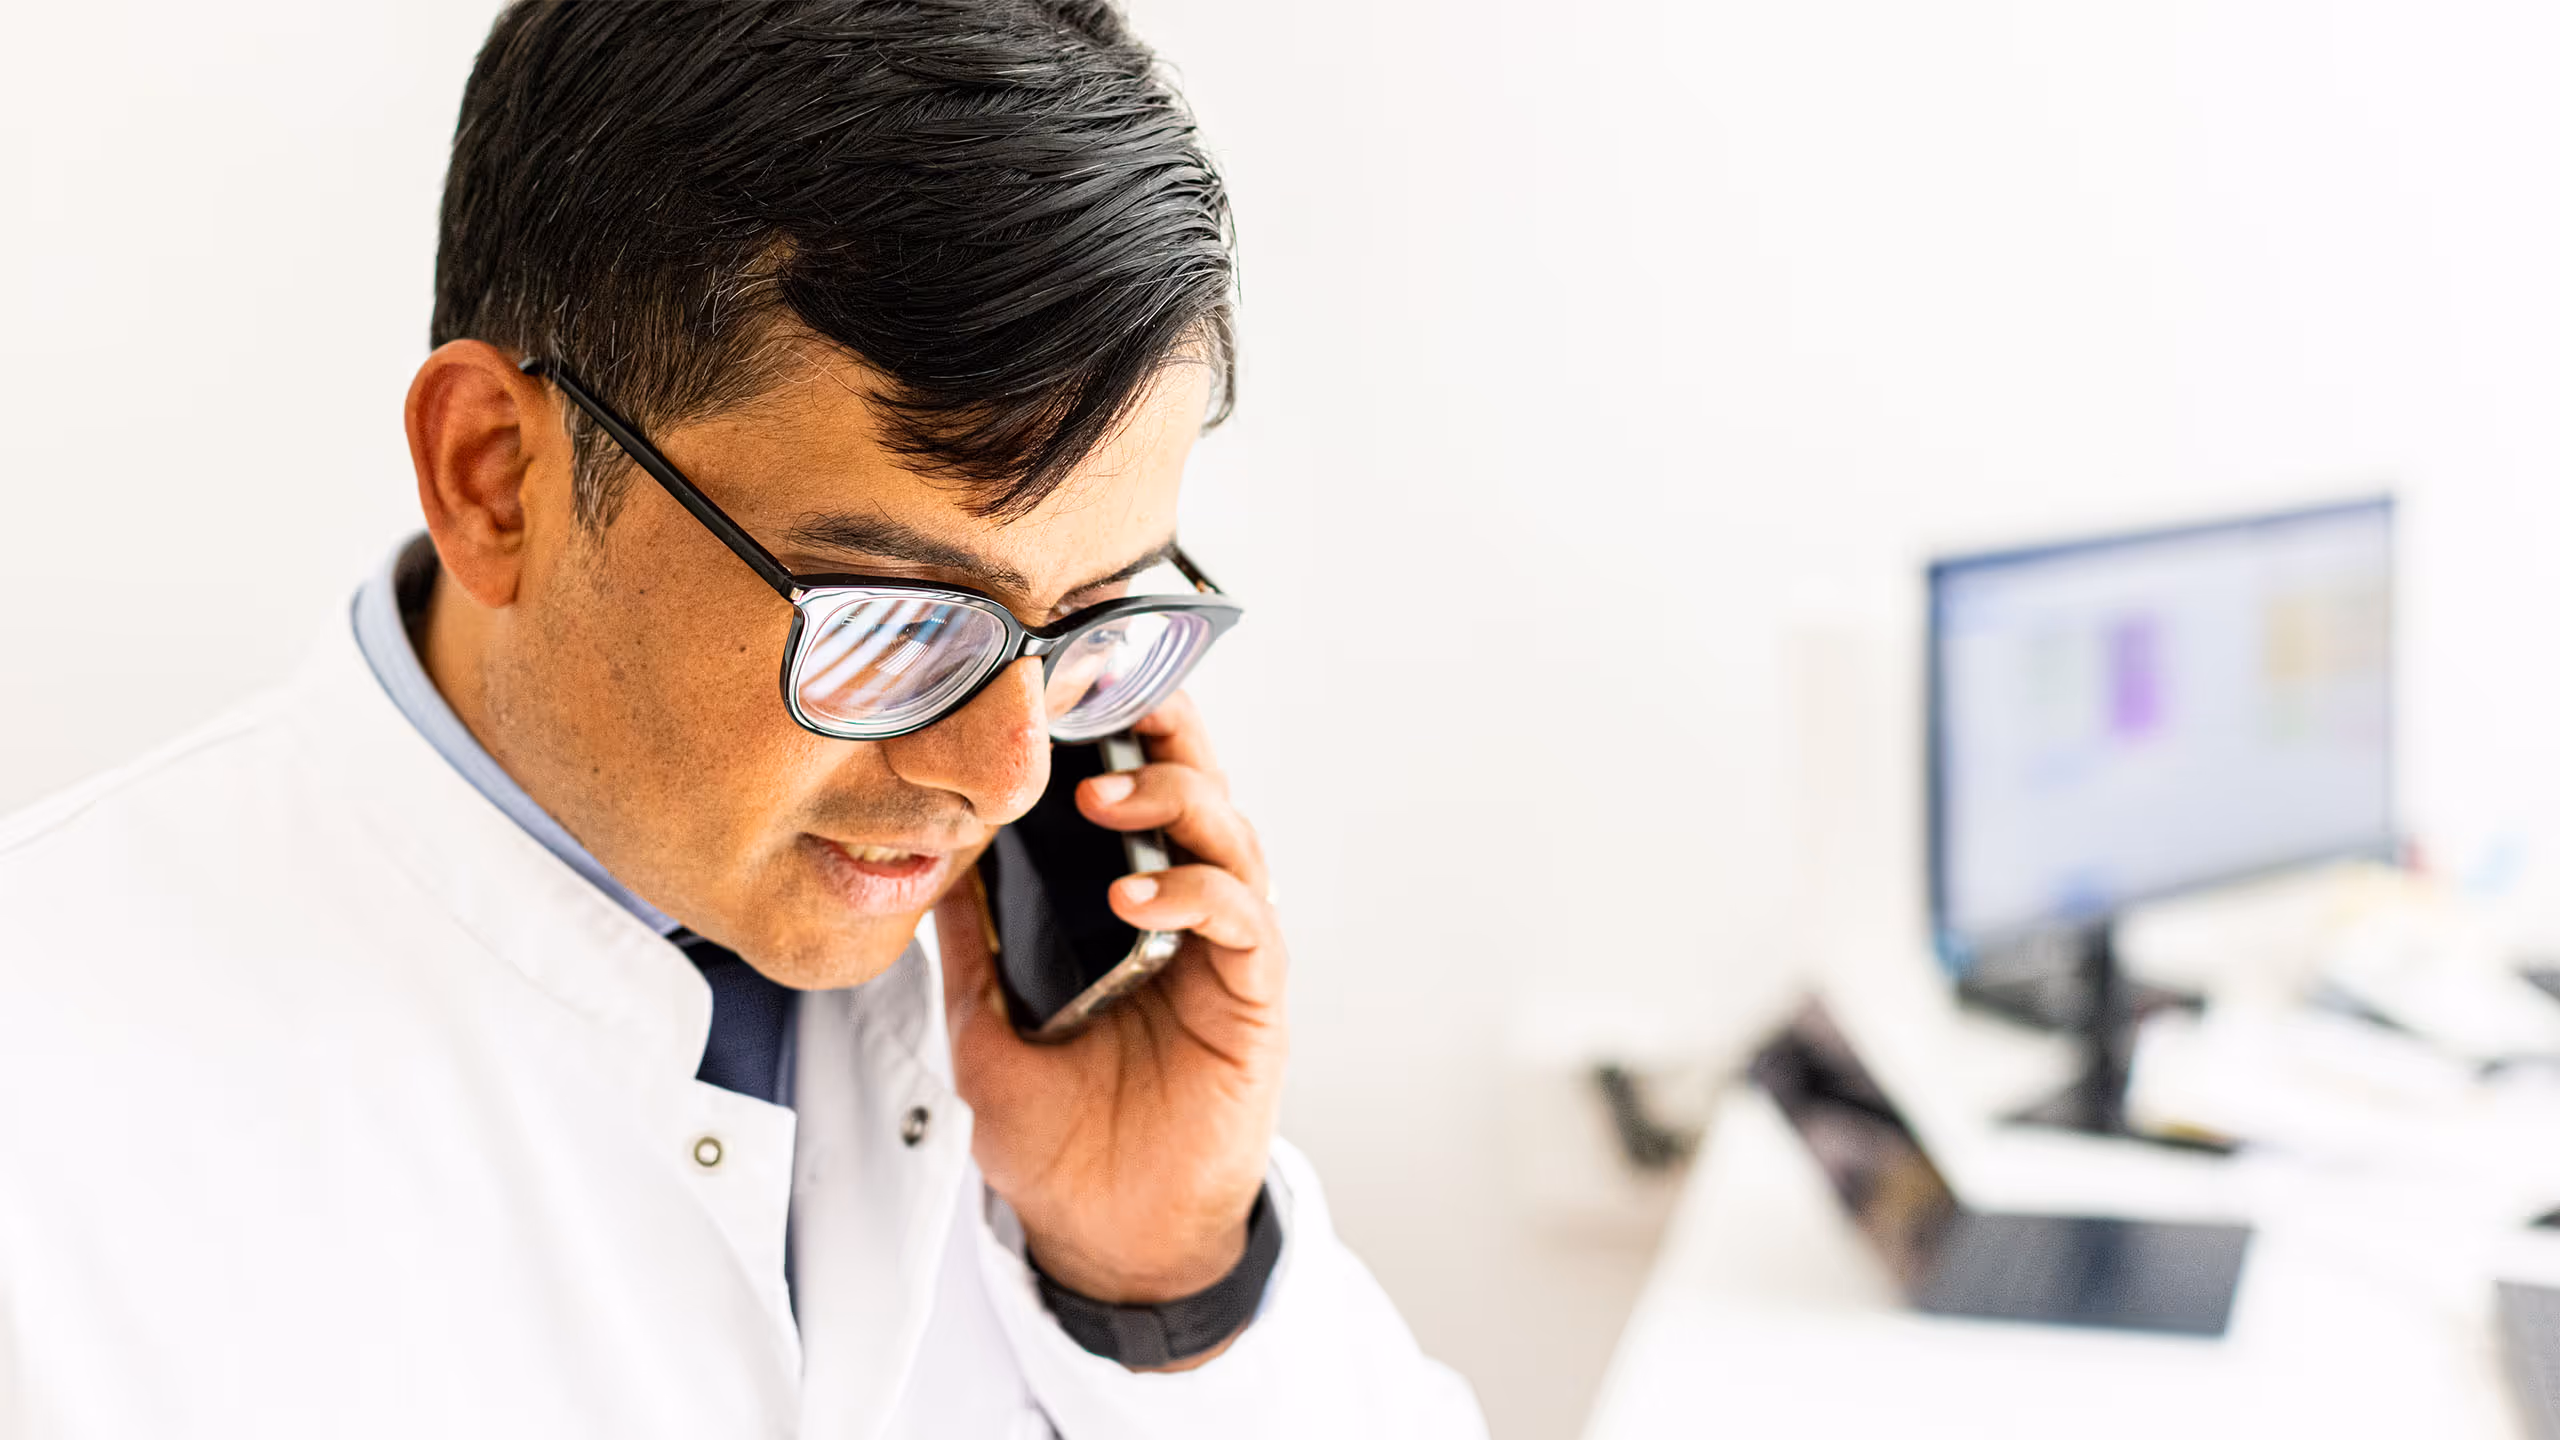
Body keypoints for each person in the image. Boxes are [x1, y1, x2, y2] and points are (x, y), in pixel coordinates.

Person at [0, 3, 1485, 1435]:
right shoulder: (49, 1124)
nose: (1007, 774)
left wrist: (1166, 1282)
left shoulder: (1062, 1041)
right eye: (896, 619)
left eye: (1091, 622)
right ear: (492, 476)